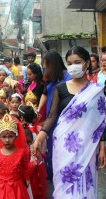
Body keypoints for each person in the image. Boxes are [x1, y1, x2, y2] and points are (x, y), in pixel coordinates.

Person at [33, 46, 106, 199]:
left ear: (86, 63)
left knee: (83, 191)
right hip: (64, 148)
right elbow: (52, 116)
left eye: (78, 62)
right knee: (63, 192)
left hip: (87, 149)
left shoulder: (96, 91)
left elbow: (100, 122)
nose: (74, 66)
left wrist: (102, 148)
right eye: (70, 62)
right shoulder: (61, 89)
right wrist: (39, 137)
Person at [38, 51, 72, 180]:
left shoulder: (68, 78)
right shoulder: (52, 78)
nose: (45, 69)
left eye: (46, 66)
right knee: (51, 145)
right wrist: (39, 109)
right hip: (51, 118)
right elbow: (45, 93)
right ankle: (52, 173)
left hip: (63, 119)